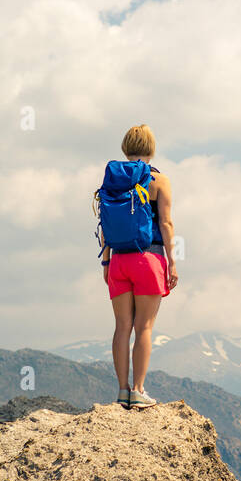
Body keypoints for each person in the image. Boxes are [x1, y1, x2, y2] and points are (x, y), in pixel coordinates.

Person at [94, 124, 178, 410]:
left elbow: (105, 222)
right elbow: (165, 223)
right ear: (151, 149)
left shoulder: (113, 178)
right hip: (149, 257)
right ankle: (139, 391)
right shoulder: (159, 180)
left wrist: (106, 259)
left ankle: (122, 390)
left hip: (118, 259)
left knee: (122, 328)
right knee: (144, 327)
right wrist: (172, 261)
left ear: (125, 147)